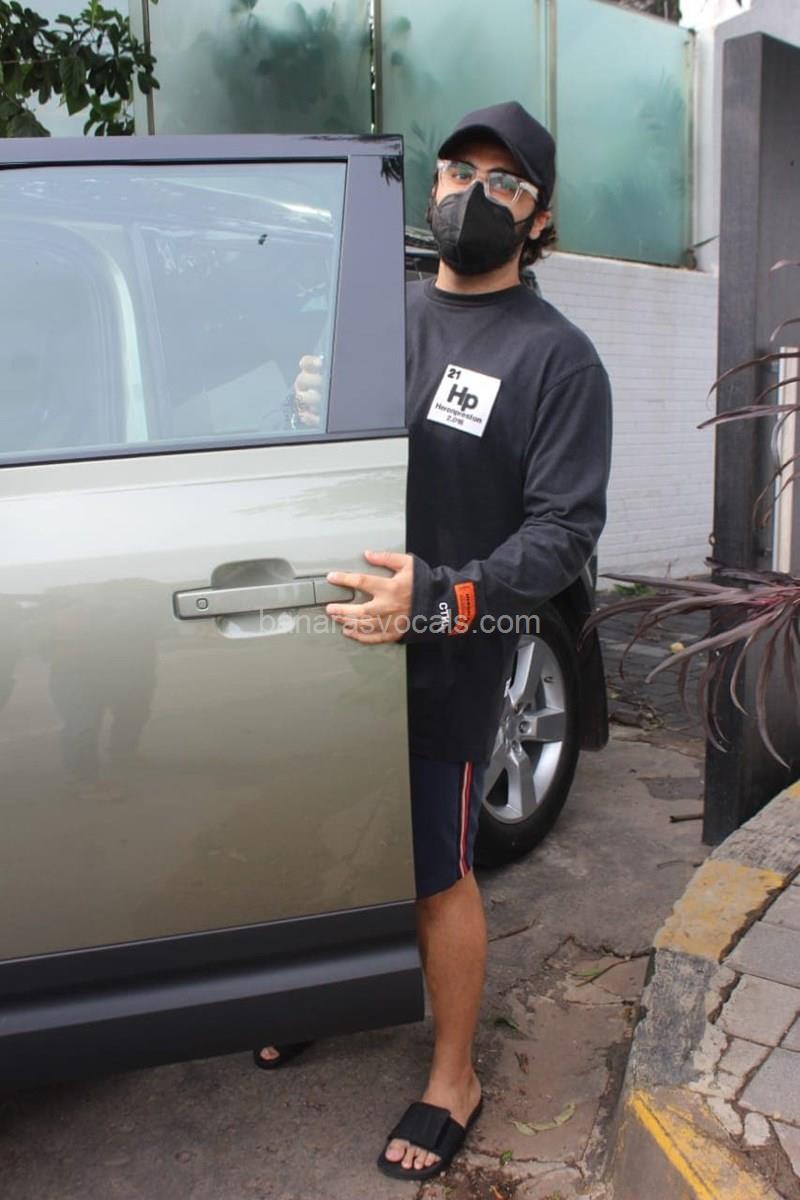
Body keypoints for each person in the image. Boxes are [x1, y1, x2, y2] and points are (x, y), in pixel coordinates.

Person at [255, 100, 613, 1182]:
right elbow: (328, 458)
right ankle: (329, 991)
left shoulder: (558, 360)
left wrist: (449, 597)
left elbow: (562, 532)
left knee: (431, 867)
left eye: (504, 182)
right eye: (459, 171)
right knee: (323, 834)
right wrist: (304, 405)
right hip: (339, 626)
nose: (472, 193)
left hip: (453, 640)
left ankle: (453, 1075)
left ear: (538, 220)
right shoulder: (381, 315)